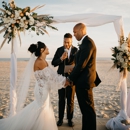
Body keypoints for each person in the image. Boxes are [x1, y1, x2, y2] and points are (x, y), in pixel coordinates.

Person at [0, 41, 67, 130]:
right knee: (42, 110)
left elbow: (51, 74)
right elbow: (51, 77)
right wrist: (65, 81)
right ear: (42, 50)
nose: (48, 49)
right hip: (41, 91)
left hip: (44, 89)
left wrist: (63, 79)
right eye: (46, 47)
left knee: (41, 109)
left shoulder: (43, 60)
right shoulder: (39, 62)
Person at [66, 23, 101, 130]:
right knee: (85, 111)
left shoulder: (88, 43)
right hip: (82, 81)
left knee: (88, 111)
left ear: (82, 30)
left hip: (85, 82)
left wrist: (70, 78)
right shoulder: (85, 43)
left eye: (75, 32)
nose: (74, 34)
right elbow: (79, 63)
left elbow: (82, 64)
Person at [51, 33, 78, 127]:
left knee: (70, 100)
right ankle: (60, 119)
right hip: (60, 79)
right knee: (61, 100)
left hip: (71, 79)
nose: (66, 44)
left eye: (68, 42)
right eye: (64, 42)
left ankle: (70, 119)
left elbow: (79, 64)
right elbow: (53, 63)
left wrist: (73, 69)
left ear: (71, 41)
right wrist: (61, 59)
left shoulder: (76, 50)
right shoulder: (59, 50)